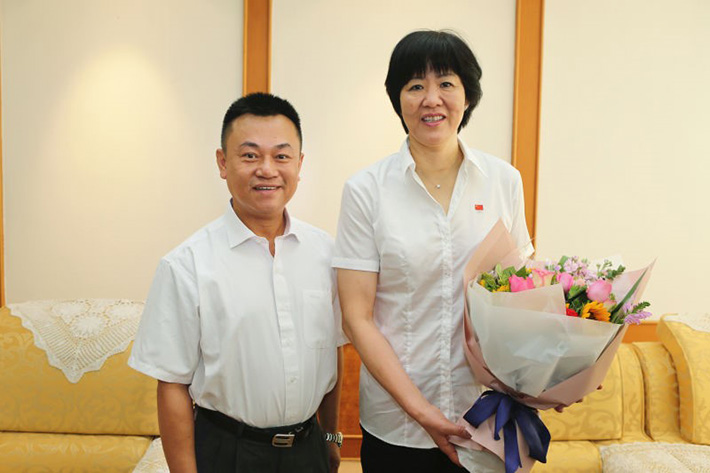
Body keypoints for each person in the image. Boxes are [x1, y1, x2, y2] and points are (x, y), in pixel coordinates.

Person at [333, 30, 533, 473]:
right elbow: (356, 318)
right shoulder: (366, 190)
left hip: (487, 415)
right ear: (398, 98)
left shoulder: (504, 181)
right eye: (415, 86)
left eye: (445, 83)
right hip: (397, 426)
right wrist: (422, 412)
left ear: (468, 95)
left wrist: (551, 374)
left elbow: (521, 297)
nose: (431, 99)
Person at [129, 93, 344, 473]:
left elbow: (332, 354)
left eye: (281, 156)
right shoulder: (186, 265)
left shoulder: (327, 254)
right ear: (222, 163)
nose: (267, 169)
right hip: (229, 452)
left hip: (308, 450)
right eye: (250, 155)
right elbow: (172, 385)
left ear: (299, 164)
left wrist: (331, 438)